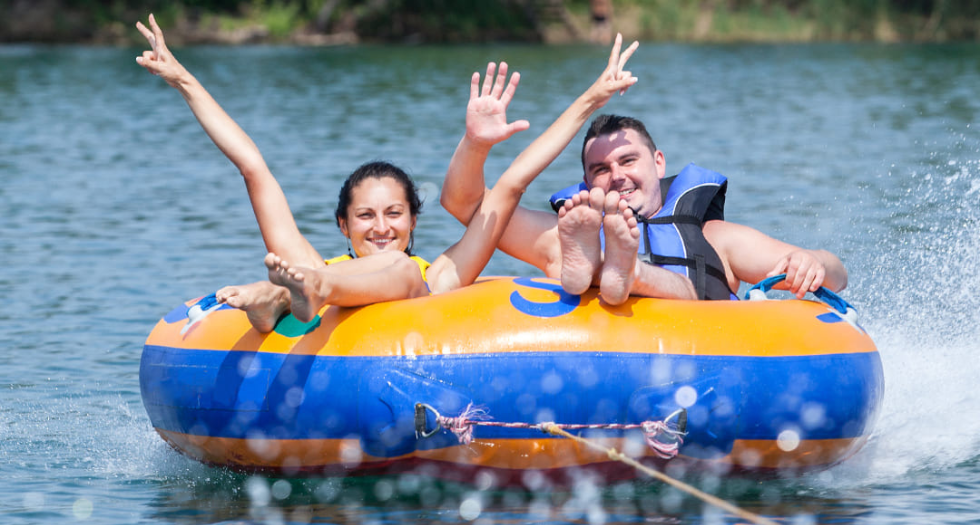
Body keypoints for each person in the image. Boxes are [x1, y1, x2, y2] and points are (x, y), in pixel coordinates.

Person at [134, 15, 639, 331]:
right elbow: (253, 168)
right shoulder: (309, 263)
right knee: (316, 275)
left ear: (413, 222)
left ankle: (281, 301)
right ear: (343, 226)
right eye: (366, 216)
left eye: (395, 213)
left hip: (316, 287)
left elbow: (511, 184)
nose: (381, 227)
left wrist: (591, 99)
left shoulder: (439, 274)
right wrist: (185, 81)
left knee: (396, 271)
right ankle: (279, 300)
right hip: (311, 283)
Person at [441, 36, 847, 305]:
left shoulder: (715, 238)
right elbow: (468, 207)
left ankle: (627, 271)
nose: (616, 174)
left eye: (628, 160)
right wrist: (475, 145)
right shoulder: (565, 233)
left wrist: (812, 262)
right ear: (586, 184)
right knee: (581, 248)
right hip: (608, 359)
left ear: (658, 163)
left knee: (666, 282)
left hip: (706, 352)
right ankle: (605, 267)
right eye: (600, 169)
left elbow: (836, 275)